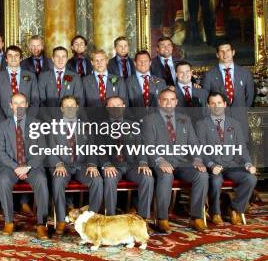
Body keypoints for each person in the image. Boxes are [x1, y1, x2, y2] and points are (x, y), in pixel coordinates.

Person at [142, 88, 208, 233]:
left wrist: (197, 159)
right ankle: (162, 219)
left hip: (183, 162)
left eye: (172, 99)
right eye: (165, 99)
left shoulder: (185, 119)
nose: (168, 103)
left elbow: (194, 143)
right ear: (159, 102)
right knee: (166, 176)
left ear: (176, 102)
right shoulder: (149, 120)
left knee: (202, 174)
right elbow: (148, 145)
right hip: (161, 162)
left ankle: (196, 217)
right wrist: (159, 160)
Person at [196, 92, 257, 226]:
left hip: (231, 165)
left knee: (251, 179)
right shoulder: (201, 124)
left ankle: (234, 208)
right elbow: (200, 149)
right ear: (208, 105)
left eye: (219, 103)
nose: (216, 106)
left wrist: (248, 164)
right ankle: (215, 212)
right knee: (216, 181)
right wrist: (211, 165)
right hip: (212, 167)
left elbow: (241, 147)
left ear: (224, 104)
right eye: (213, 103)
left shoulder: (234, 123)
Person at [0, 93, 49, 239]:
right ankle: (8, 222)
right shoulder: (3, 126)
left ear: (26, 105)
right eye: (15, 103)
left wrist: (27, 167)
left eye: (22, 103)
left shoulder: (37, 124)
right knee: (3, 180)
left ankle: (41, 224)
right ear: (11, 106)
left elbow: (42, 149)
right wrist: (16, 167)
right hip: (10, 166)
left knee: (42, 181)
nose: (19, 106)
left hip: (32, 165)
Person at [47, 95, 103, 236]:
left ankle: (92, 217)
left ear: (77, 108)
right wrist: (58, 164)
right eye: (66, 106)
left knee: (97, 180)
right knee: (58, 180)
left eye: (72, 105)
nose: (69, 108)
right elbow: (48, 149)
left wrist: (92, 164)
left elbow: (92, 148)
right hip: (62, 165)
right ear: (61, 108)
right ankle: (61, 219)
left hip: (81, 164)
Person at [99, 96, 154, 221]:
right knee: (110, 178)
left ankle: (143, 219)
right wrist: (106, 164)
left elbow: (140, 147)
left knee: (147, 178)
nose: (116, 108)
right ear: (107, 108)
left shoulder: (133, 125)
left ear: (123, 107)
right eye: (112, 106)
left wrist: (143, 163)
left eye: (118, 105)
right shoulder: (100, 126)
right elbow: (98, 149)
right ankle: (111, 219)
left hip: (131, 165)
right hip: (112, 166)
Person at [201, 42, 254, 142]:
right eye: (222, 51)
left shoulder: (245, 73)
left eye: (228, 50)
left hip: (240, 120)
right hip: (218, 121)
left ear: (233, 52)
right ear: (217, 55)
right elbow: (205, 99)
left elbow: (249, 96)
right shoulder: (209, 75)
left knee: (241, 152)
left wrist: (240, 111)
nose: (225, 54)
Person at [0, 45, 39, 124]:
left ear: (21, 58)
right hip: (3, 123)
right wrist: (4, 121)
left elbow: (35, 101)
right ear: (6, 59)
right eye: (10, 55)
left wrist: (28, 120)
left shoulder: (31, 76)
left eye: (16, 55)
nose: (13, 58)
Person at [125, 50, 166, 120]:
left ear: (150, 63)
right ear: (135, 63)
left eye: (146, 61)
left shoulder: (161, 82)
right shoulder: (127, 82)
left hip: (156, 122)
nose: (143, 63)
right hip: (135, 123)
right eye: (140, 61)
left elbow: (164, 105)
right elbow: (125, 106)